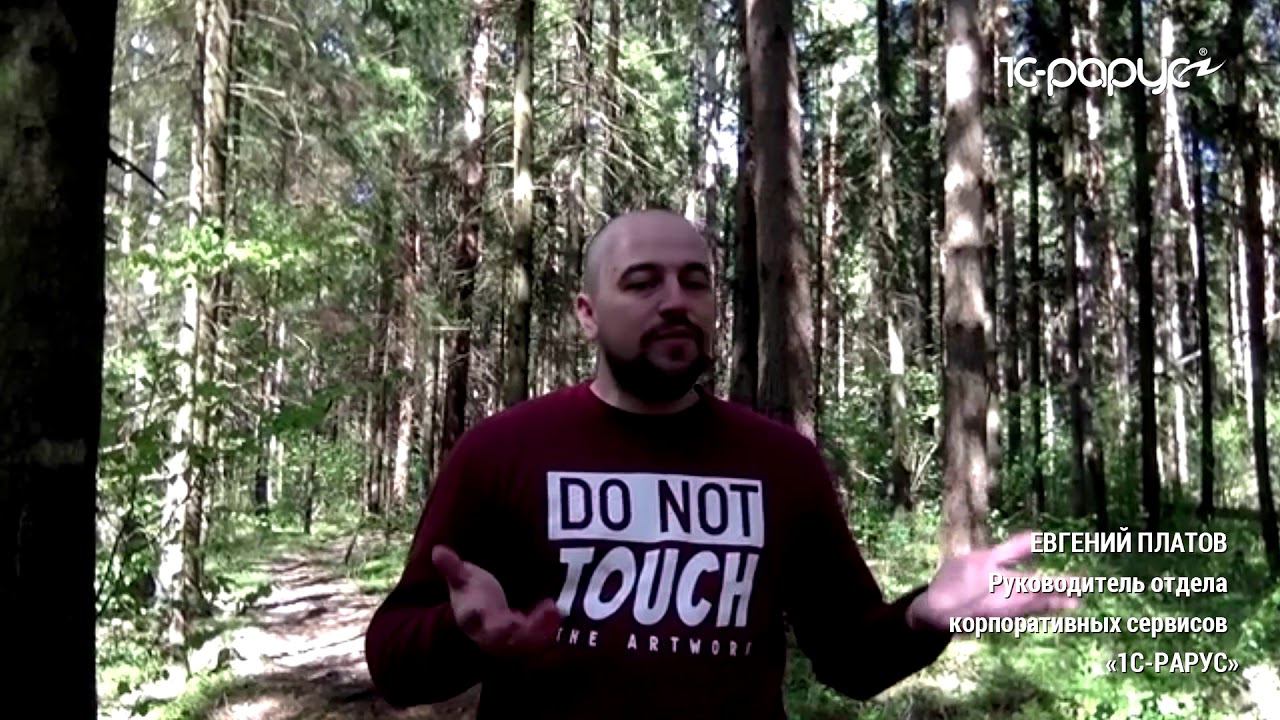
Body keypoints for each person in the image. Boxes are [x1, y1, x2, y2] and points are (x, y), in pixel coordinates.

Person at [364, 209, 1078, 719]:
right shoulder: (503, 451)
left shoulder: (780, 463)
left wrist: (923, 615)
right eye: (642, 282)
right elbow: (394, 664)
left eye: (694, 282)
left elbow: (851, 659)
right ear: (587, 313)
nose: (676, 302)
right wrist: (462, 634)